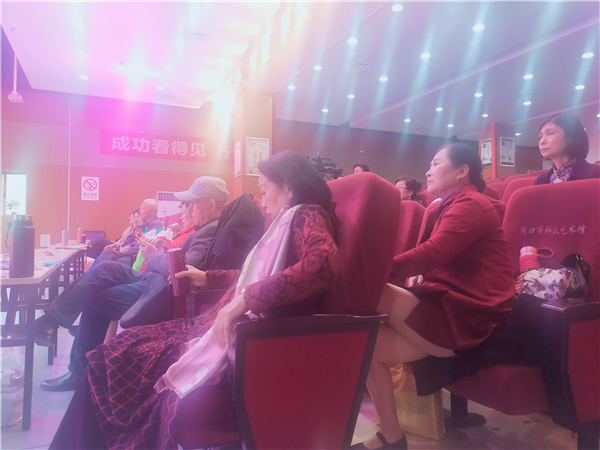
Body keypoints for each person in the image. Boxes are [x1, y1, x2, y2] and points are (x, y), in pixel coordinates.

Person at [50, 150, 340, 450]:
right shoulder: (291, 220)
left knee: (109, 360)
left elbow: (323, 264)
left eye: (265, 190)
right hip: (212, 325)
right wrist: (208, 277)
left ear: (288, 188)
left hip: (236, 336)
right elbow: (251, 275)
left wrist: (243, 301)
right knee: (111, 354)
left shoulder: (305, 214)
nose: (262, 202)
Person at [353, 144, 514, 450]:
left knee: (371, 290)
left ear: (462, 171)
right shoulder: (447, 205)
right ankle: (391, 436)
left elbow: (434, 252)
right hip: (447, 302)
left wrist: (375, 272)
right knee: (365, 345)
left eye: (436, 163)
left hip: (471, 314)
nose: (428, 171)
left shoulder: (472, 203)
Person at [12, 177, 227, 392]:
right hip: (155, 279)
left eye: (193, 203)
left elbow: (182, 270)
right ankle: (50, 321)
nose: (189, 208)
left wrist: (153, 255)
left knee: (96, 300)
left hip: (162, 290)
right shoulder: (205, 228)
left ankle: (76, 370)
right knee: (105, 268)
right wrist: (163, 250)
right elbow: (179, 261)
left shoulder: (210, 230)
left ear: (211, 204)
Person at [534, 113, 600, 184]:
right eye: (541, 137)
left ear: (570, 138)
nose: (542, 142)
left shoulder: (596, 174)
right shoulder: (540, 181)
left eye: (550, 133)